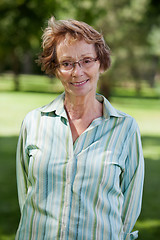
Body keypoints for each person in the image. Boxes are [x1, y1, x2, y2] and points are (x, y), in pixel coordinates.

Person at [16, 16, 144, 240]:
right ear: (55, 68)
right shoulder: (33, 122)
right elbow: (25, 194)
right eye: (67, 63)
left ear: (100, 64)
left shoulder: (125, 128)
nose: (77, 72)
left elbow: (129, 207)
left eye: (86, 60)